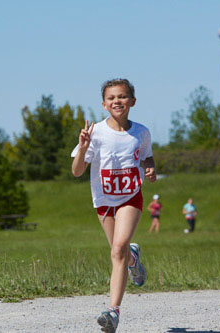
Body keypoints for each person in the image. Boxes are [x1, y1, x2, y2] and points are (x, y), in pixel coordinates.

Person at [71, 78, 156, 333]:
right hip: (104, 201)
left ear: (132, 101)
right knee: (120, 252)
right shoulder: (95, 132)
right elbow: (76, 172)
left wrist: (150, 168)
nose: (117, 101)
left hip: (131, 197)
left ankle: (113, 312)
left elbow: (147, 155)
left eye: (122, 96)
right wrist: (84, 147)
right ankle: (134, 259)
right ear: (104, 104)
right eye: (111, 98)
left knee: (117, 249)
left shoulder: (141, 132)